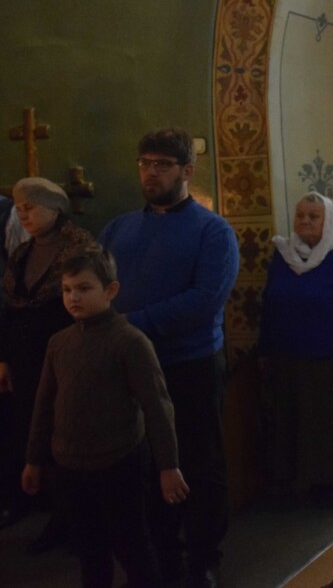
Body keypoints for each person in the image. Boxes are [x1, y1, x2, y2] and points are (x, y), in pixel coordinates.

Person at [98, 129, 239, 587]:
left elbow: (204, 300)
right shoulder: (119, 228)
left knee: (199, 462)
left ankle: (203, 556)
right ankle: (164, 552)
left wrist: (130, 324)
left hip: (190, 364)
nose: (151, 172)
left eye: (162, 164)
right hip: (131, 370)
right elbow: (100, 289)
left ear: (186, 171)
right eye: (144, 163)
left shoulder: (212, 230)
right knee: (144, 463)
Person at [23, 247, 187, 587]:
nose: (73, 298)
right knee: (89, 551)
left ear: (110, 290)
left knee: (132, 546)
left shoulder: (129, 342)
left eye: (84, 288)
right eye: (67, 290)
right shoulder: (59, 343)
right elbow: (44, 405)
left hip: (118, 462)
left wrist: (168, 465)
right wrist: (34, 459)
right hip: (69, 465)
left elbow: (157, 406)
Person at [259, 192, 333, 504]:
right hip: (288, 358)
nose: (306, 221)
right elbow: (269, 305)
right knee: (292, 420)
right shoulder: (282, 255)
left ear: (327, 222)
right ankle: (294, 477)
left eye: (314, 216)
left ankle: (330, 481)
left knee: (327, 425)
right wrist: (266, 352)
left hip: (331, 360)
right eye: (301, 216)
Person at [0, 178, 92, 551]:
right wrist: (4, 357)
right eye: (20, 209)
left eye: (32, 207)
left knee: (66, 436)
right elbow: (11, 308)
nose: (25, 215)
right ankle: (39, 507)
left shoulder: (79, 248)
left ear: (54, 210)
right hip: (25, 358)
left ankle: (73, 520)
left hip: (65, 355)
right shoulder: (22, 254)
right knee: (29, 430)